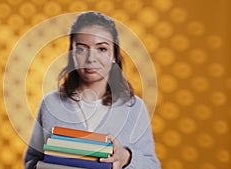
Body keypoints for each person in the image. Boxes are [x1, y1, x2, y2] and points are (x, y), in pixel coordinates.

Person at [24, 11, 161, 169]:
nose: (91, 59)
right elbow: (31, 161)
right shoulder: (50, 104)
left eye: (102, 49)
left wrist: (127, 158)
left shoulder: (134, 108)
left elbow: (152, 165)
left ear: (114, 55)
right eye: (81, 49)